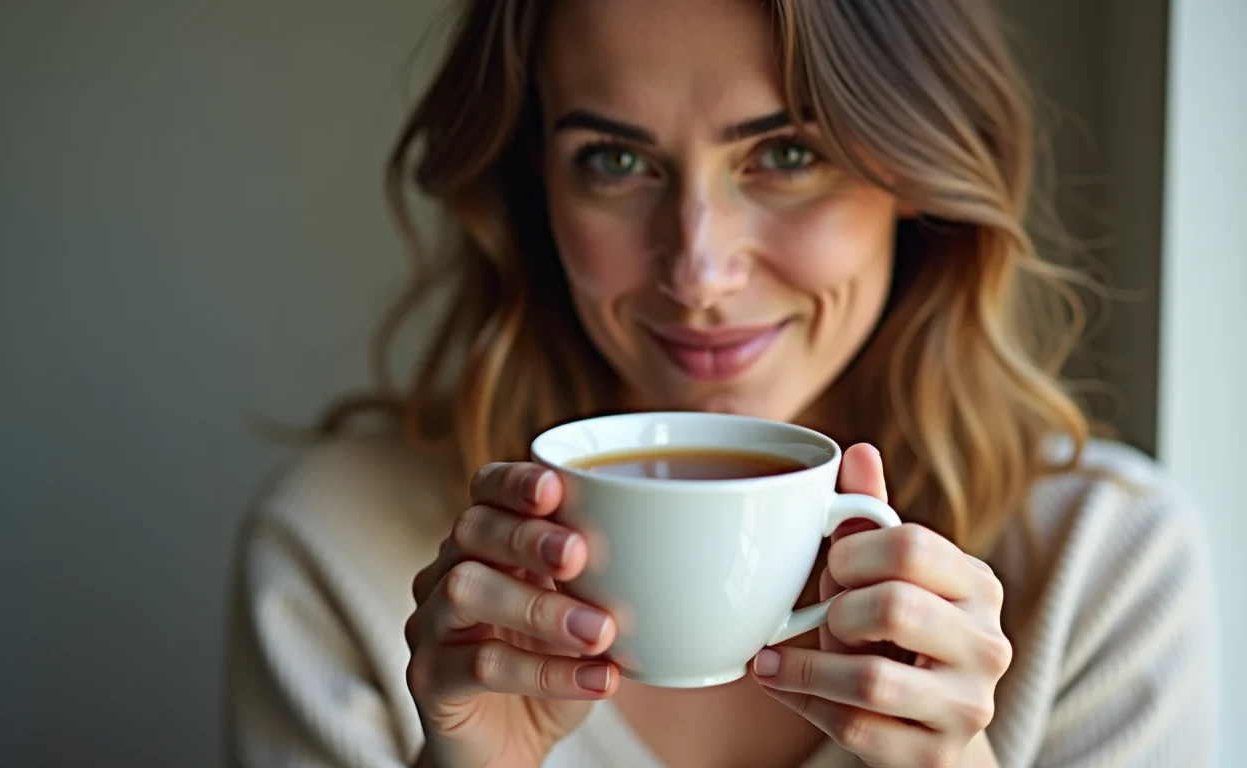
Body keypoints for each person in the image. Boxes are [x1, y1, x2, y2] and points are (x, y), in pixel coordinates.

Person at [223, 0, 1219, 766]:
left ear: (915, 177)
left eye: (786, 154)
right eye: (614, 160)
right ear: (535, 188)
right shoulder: (340, 556)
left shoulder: (1103, 571)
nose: (699, 272)